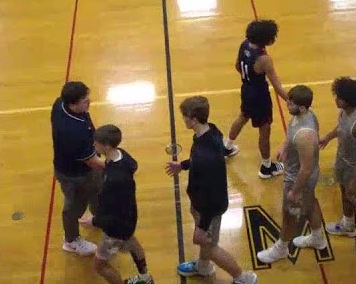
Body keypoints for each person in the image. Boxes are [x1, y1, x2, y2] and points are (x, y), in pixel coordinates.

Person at [165, 96, 257, 284]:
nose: (183, 119)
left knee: (208, 246)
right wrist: (182, 165)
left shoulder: (204, 156)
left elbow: (211, 194)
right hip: (201, 203)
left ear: (193, 118)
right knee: (206, 243)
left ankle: (244, 278)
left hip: (210, 207)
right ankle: (203, 268)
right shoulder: (211, 131)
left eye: (185, 116)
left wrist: (203, 226)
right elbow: (201, 163)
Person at [256, 85, 327, 264]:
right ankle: (318, 238)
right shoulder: (303, 115)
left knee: (289, 214)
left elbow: (306, 169)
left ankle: (281, 248)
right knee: (310, 203)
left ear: (302, 107)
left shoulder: (305, 135)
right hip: (299, 174)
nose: (287, 104)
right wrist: (285, 146)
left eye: (291, 103)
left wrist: (295, 191)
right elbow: (291, 134)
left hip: (298, 178)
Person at [225, 19, 289, 178]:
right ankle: (266, 167)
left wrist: (249, 79)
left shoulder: (244, 44)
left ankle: (227, 147)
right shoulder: (264, 59)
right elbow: (277, 86)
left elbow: (237, 67)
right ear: (267, 39)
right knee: (264, 129)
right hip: (259, 95)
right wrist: (291, 100)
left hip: (246, 89)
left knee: (243, 116)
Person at [91, 125, 153, 284]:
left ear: (107, 146)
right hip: (129, 219)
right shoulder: (121, 155)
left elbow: (111, 214)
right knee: (132, 243)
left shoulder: (114, 179)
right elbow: (134, 164)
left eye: (96, 143)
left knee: (99, 266)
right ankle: (145, 278)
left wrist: (93, 221)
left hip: (115, 228)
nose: (93, 145)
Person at [320, 77, 356, 239]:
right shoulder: (344, 112)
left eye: (339, 97)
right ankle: (347, 224)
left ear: (349, 100)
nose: (336, 99)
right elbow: (340, 127)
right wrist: (327, 137)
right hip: (343, 160)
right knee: (345, 194)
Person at [52, 81, 103, 256]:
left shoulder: (60, 104)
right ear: (72, 104)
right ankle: (71, 241)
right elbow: (92, 161)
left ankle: (99, 218)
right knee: (74, 207)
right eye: (84, 100)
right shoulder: (74, 131)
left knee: (97, 190)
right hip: (75, 175)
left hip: (85, 169)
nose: (89, 102)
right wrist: (116, 164)